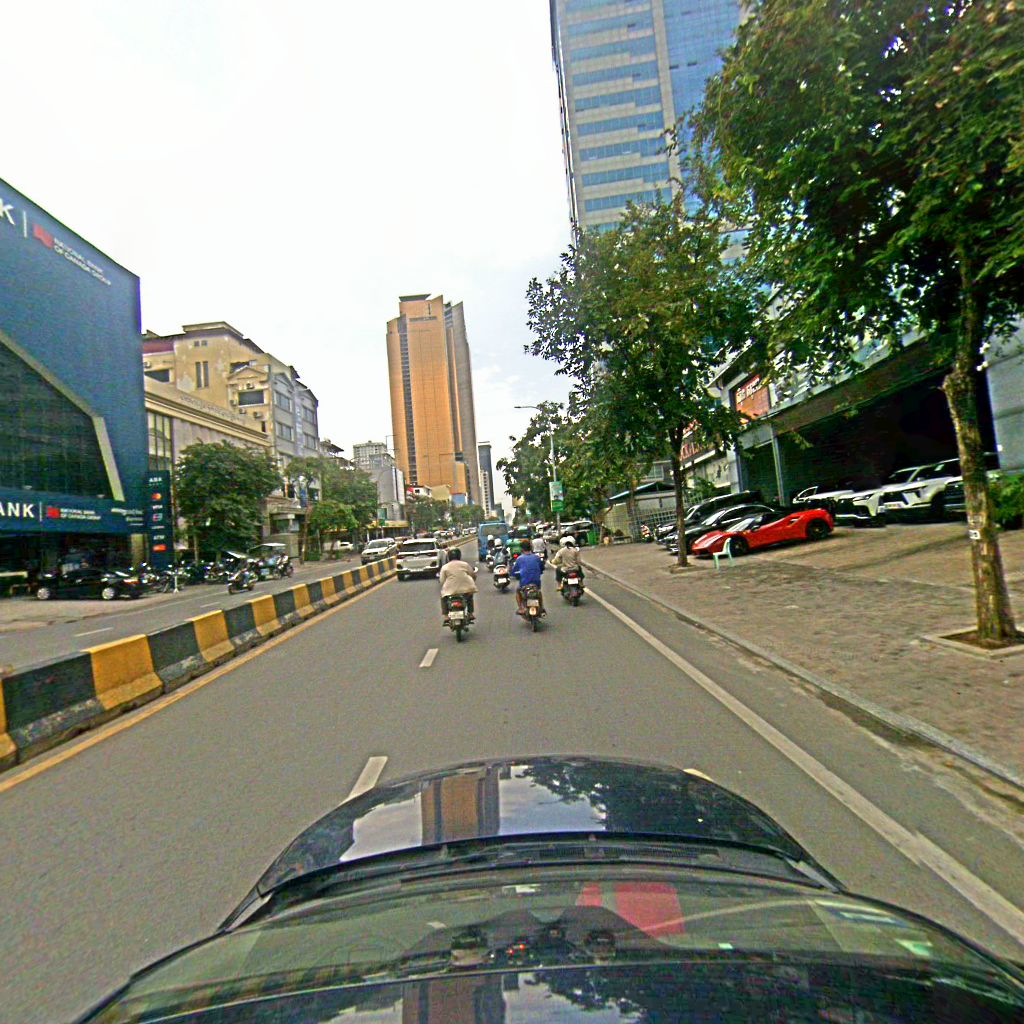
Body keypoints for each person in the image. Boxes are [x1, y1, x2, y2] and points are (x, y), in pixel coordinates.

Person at [439, 548, 477, 621]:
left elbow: (442, 580)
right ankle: (470, 613)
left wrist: (444, 586)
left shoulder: (445, 567)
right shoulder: (465, 564)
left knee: (443, 598)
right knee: (469, 597)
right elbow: (472, 574)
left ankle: (446, 616)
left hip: (450, 590)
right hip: (465, 589)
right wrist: (473, 581)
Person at [511, 539, 544, 614]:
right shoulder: (536, 557)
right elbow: (542, 568)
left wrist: (514, 574)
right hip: (536, 582)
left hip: (524, 583)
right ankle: (541, 607)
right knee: (538, 592)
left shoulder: (519, 559)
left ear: (522, 549)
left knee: (518, 591)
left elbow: (514, 571)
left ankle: (521, 608)